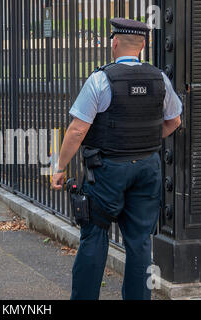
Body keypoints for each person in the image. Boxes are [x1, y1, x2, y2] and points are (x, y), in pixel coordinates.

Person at [51, 18, 183, 300]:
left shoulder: (101, 79)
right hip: (147, 167)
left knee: (95, 234)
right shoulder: (160, 79)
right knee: (139, 242)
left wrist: (59, 167)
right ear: (143, 45)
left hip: (108, 169)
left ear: (113, 43)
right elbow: (174, 121)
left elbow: (77, 130)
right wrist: (144, 141)